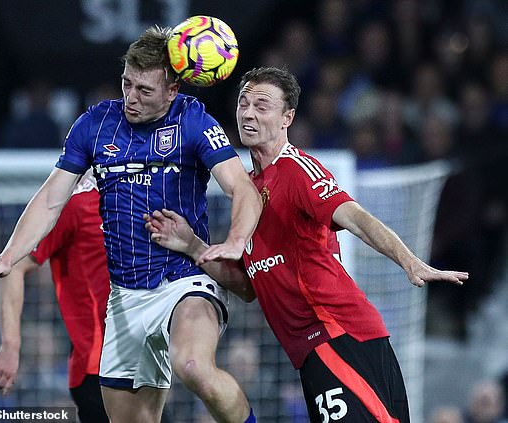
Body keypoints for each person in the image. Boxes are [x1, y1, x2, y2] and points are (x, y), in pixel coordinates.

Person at [0, 26, 262, 423]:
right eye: (127, 84)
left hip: (184, 280)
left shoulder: (193, 120)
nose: (131, 98)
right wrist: (7, 257)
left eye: (144, 90)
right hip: (124, 300)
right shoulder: (95, 124)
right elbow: (51, 199)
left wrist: (236, 240)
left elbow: (242, 188)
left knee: (193, 367)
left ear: (172, 90)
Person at [144, 66, 468, 422]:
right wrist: (192, 246)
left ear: (288, 118)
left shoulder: (296, 169)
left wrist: (408, 260)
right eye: (243, 103)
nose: (248, 113)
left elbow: (357, 217)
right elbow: (250, 287)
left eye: (262, 105)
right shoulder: (248, 193)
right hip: (311, 351)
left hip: (340, 336)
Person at [0, 172, 109, 422]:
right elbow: (13, 268)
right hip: (98, 366)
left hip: (143, 359)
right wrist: (11, 345)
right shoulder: (75, 203)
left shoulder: (142, 195)